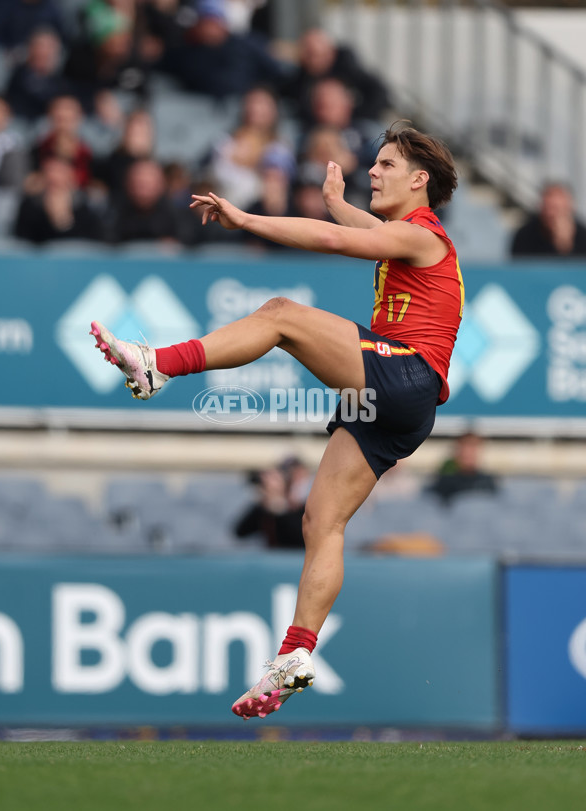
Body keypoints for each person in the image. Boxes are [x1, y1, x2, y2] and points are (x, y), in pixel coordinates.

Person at [89, 122, 463, 720]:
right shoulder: (409, 233)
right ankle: (296, 654)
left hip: (405, 374)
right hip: (403, 404)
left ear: (419, 180)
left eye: (386, 165)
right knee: (322, 522)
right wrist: (339, 203)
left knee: (281, 315)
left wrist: (249, 221)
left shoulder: (423, 236)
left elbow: (338, 242)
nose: (374, 171)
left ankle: (156, 365)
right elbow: (352, 227)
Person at [234, 456, 311, 549]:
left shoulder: (304, 509)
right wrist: (263, 504)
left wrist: (281, 509)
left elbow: (300, 538)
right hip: (272, 559)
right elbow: (240, 532)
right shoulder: (264, 511)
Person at [510, 182, 586, 258]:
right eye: (547, 208)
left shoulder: (583, 236)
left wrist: (565, 245)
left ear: (570, 209)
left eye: (557, 209)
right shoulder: (524, 236)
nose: (551, 214)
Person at [425, 431, 498, 505]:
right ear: (457, 452)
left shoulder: (488, 482)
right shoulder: (443, 483)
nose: (469, 454)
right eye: (465, 449)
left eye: (473, 450)